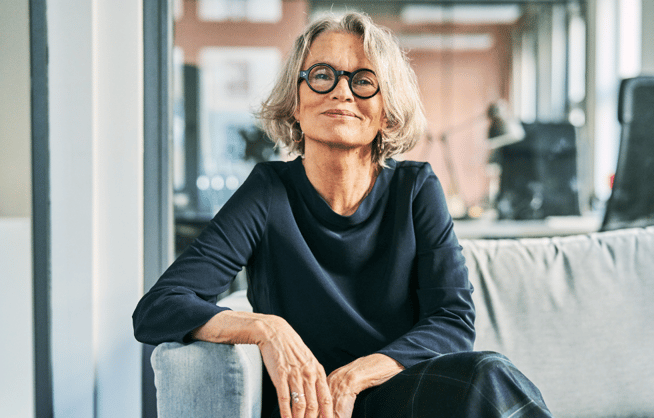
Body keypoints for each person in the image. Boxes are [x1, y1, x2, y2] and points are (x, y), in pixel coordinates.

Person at [133, 12, 553, 418]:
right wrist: (267, 329)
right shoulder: (267, 192)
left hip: (398, 394)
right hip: (309, 408)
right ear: (295, 102)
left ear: (386, 110)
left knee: (486, 377)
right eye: (321, 75)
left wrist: (355, 376)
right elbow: (159, 307)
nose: (342, 91)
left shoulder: (416, 188)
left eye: (364, 81)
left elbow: (452, 321)